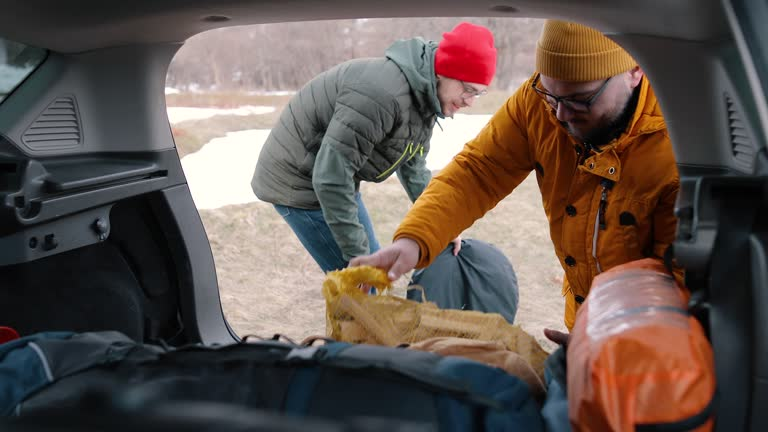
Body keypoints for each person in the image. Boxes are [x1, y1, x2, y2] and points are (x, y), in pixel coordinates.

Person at [351, 20, 681, 346]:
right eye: (551, 96)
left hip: (652, 345)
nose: (561, 115)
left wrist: (616, 350)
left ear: (634, 71)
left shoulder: (680, 143)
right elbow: (478, 172)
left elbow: (681, 284)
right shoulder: (537, 105)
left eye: (580, 99)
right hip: (587, 325)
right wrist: (415, 238)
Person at [251, 22, 497, 273]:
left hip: (333, 173)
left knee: (372, 270)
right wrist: (357, 256)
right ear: (443, 72)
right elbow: (330, 178)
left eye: (479, 93)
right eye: (468, 90)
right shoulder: (383, 95)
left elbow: (413, 167)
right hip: (298, 179)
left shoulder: (423, 96)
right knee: (361, 279)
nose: (471, 101)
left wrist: (441, 226)